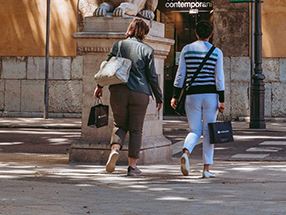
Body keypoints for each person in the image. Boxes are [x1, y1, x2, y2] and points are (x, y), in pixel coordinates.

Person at [93, 18, 163, 176]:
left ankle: (115, 150)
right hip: (140, 93)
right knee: (136, 130)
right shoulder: (147, 50)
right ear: (144, 33)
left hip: (118, 90)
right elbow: (152, 76)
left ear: (130, 29)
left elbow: (107, 66)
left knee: (119, 125)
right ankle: (132, 167)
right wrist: (159, 97)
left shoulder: (118, 45)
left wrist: (99, 86)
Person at [171, 20, 225, 179]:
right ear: (211, 34)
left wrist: (175, 95)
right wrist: (221, 100)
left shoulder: (186, 50)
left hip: (191, 96)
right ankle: (206, 169)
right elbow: (219, 78)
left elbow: (180, 75)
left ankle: (186, 153)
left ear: (196, 33)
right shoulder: (216, 52)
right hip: (210, 96)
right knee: (209, 132)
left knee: (195, 130)